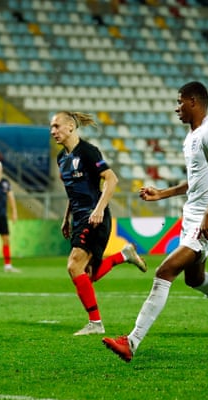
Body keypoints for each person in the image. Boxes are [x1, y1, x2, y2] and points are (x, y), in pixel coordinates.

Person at [103, 81, 208, 362]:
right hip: (194, 215)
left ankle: (131, 341)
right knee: (194, 278)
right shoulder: (191, 137)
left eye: (180, 101)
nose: (177, 108)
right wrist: (163, 193)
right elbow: (198, 181)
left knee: (164, 272)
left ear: (194, 102)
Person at [49, 111, 148, 336]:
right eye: (51, 128)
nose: (53, 131)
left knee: (74, 266)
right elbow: (73, 191)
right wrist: (66, 217)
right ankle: (124, 255)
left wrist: (99, 209)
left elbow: (112, 179)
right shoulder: (61, 158)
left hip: (95, 218)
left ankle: (95, 323)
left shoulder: (88, 151)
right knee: (87, 276)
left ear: (71, 127)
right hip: (79, 218)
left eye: (57, 126)